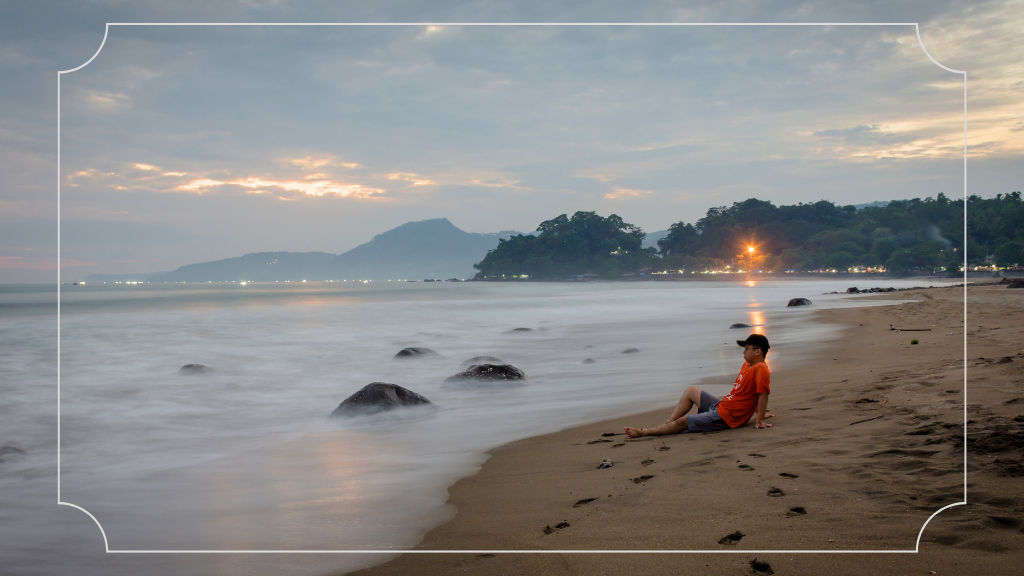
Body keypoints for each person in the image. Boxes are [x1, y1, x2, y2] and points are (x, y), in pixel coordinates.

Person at [624, 334, 773, 437]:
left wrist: (759, 419)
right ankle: (669, 423)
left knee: (684, 421)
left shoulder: (761, 369)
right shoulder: (748, 365)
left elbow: (762, 395)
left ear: (758, 351)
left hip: (729, 417)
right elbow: (748, 392)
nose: (743, 352)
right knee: (691, 391)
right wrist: (758, 411)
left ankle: (645, 432)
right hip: (723, 405)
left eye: (746, 349)